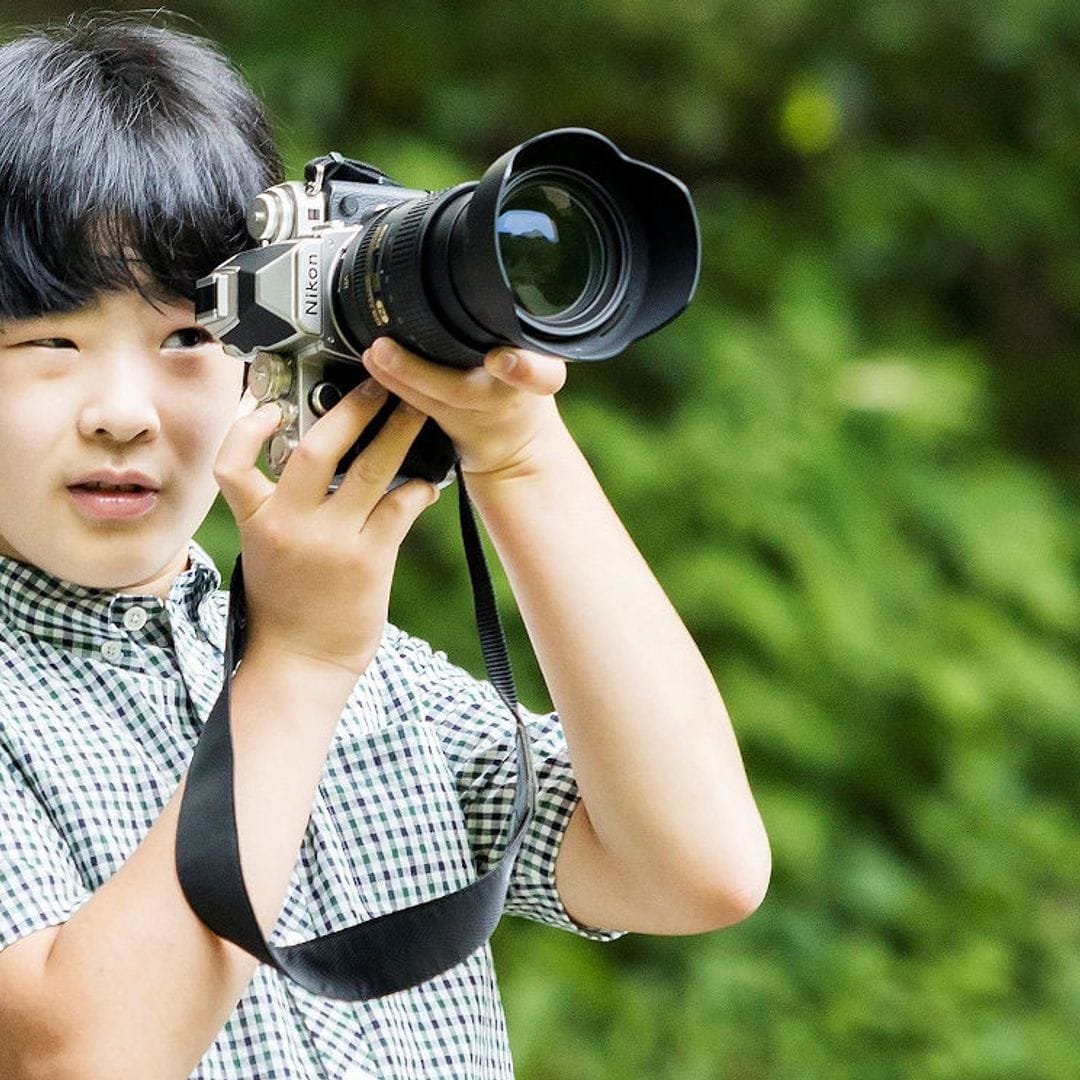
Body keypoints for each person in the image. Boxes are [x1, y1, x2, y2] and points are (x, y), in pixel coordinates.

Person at [0, 12, 770, 1079]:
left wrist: (518, 452)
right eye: (51, 342)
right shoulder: (310, 658)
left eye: (187, 335)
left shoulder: (378, 684)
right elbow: (77, 1057)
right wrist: (298, 666)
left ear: (259, 345)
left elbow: (696, 868)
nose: (123, 412)